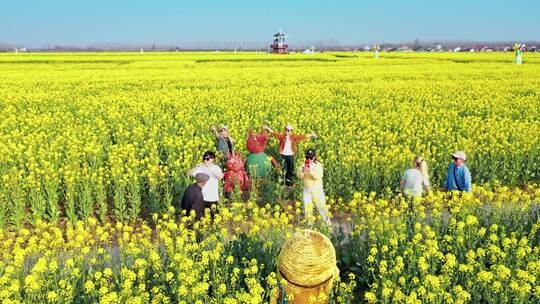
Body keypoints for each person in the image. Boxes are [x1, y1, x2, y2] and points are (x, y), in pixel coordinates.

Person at [296, 149, 330, 225]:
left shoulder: (318, 165)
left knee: (322, 208)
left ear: (314, 157)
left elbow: (319, 175)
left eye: (310, 158)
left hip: (317, 190)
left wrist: (310, 171)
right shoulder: (303, 164)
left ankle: (328, 225)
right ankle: (309, 225)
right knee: (307, 208)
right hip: (307, 190)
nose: (308, 159)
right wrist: (302, 171)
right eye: (307, 157)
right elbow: (298, 175)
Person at [187, 151, 224, 215]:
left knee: (215, 217)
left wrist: (210, 168)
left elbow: (220, 177)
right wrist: (197, 166)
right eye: (204, 159)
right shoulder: (201, 168)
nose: (205, 160)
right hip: (202, 197)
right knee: (201, 218)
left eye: (207, 159)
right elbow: (188, 174)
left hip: (213, 197)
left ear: (212, 159)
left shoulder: (216, 168)